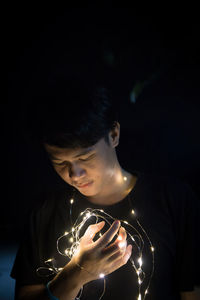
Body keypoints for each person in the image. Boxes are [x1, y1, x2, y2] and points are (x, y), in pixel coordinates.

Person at [11, 75, 200, 300]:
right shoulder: (45, 213)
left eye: (86, 156)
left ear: (114, 134)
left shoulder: (174, 199)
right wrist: (77, 273)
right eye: (60, 162)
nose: (74, 174)